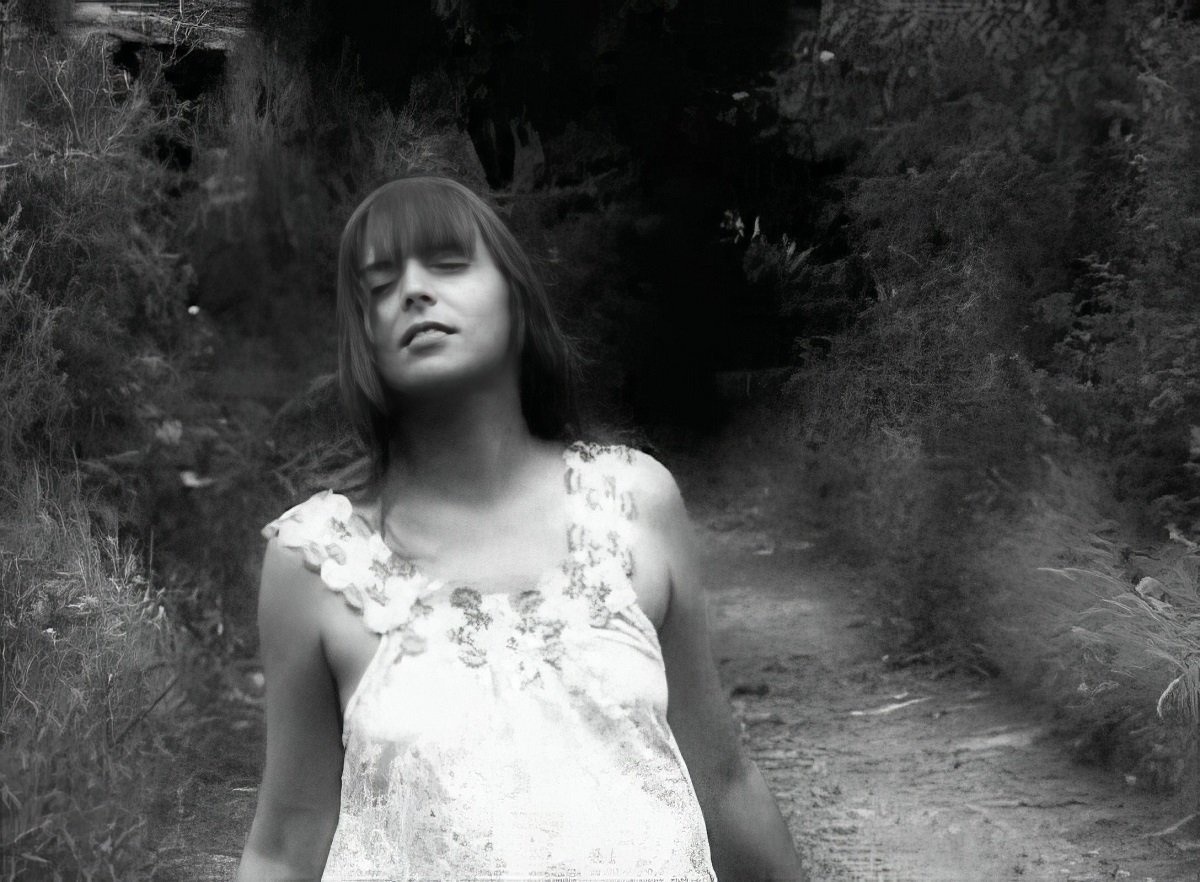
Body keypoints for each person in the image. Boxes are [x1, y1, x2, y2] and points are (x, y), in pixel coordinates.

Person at [235, 175, 808, 882]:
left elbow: (721, 781)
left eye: (448, 264)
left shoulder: (632, 501)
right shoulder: (318, 562)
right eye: (380, 286)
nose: (412, 291)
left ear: (517, 298)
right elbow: (287, 843)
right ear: (365, 339)